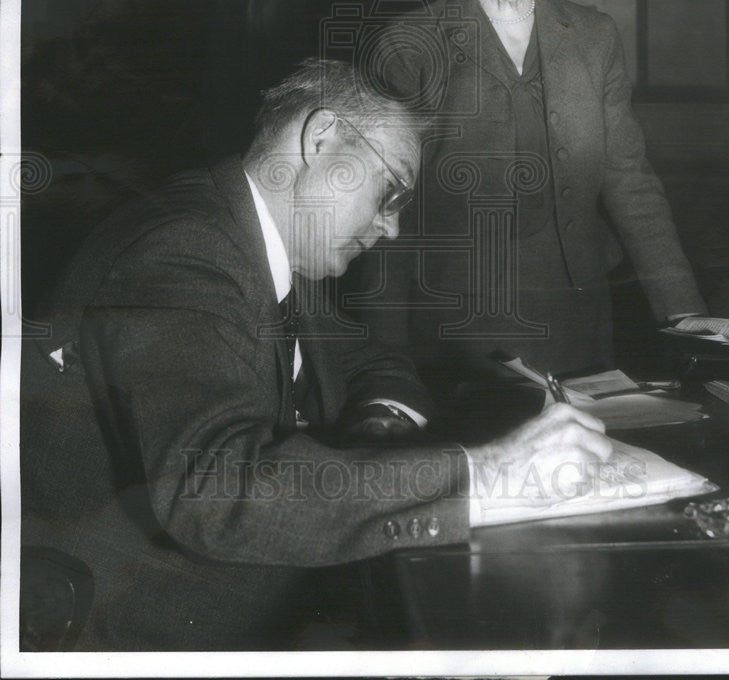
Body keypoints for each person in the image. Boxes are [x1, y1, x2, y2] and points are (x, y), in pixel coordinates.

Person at [20, 58, 612, 651]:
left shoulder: (262, 245)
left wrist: (378, 424)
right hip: (137, 635)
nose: (392, 228)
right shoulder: (183, 250)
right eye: (392, 192)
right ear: (321, 137)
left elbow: (372, 361)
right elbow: (214, 488)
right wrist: (487, 474)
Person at [357, 0, 715, 388]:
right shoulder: (409, 44)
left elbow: (630, 184)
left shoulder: (593, 37)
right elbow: (387, 211)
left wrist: (685, 314)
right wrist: (381, 365)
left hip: (580, 319)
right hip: (461, 330)